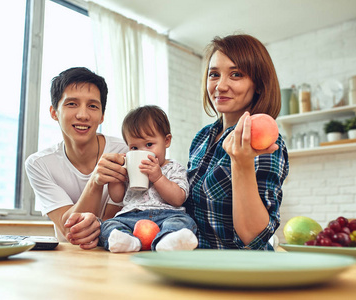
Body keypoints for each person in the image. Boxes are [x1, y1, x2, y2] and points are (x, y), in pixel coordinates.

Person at [184, 34, 289, 250]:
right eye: (214, 74)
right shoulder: (202, 137)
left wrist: (242, 164)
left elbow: (254, 237)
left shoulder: (265, 141)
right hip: (196, 265)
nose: (220, 86)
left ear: (258, 84)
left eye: (236, 74)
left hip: (240, 272)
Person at [25, 67, 129, 249]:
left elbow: (109, 225)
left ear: (102, 116)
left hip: (114, 252)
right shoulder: (39, 164)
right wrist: (95, 182)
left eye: (93, 106)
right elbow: (70, 229)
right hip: (69, 257)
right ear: (54, 112)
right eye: (72, 104)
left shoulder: (125, 151)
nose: (83, 115)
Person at [99, 105, 198, 252]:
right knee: (108, 225)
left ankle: (168, 240)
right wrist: (117, 178)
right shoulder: (130, 167)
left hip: (167, 216)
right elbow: (117, 197)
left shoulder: (174, 167)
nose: (142, 152)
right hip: (131, 216)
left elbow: (178, 199)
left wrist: (158, 177)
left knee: (184, 222)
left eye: (149, 144)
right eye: (134, 148)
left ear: (166, 141)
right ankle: (127, 241)